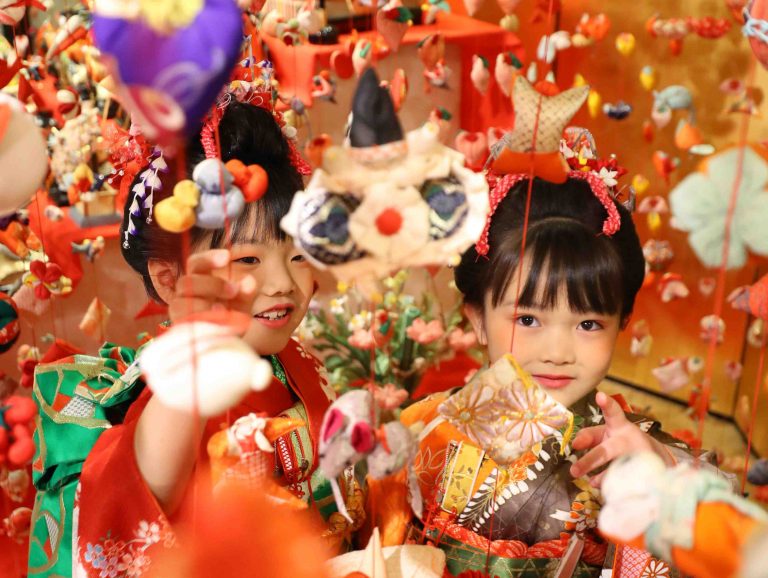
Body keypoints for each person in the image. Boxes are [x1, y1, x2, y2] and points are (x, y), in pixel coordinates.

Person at [30, 97, 361, 578]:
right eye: (247, 260)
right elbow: (148, 486)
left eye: (298, 256)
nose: (282, 284)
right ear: (169, 280)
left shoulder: (298, 361)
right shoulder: (172, 392)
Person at [367, 171, 725, 578]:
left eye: (588, 324)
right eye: (528, 319)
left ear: (622, 321)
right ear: (478, 319)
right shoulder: (424, 428)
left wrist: (664, 481)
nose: (557, 354)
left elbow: (725, 541)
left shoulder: (635, 451)